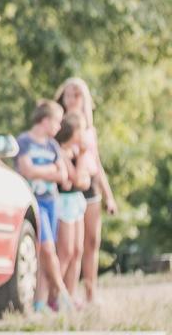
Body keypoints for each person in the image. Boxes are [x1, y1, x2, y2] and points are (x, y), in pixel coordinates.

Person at [55, 77, 118, 305]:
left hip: (91, 189)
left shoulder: (90, 130)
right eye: (68, 95)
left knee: (92, 242)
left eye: (77, 95)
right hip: (71, 189)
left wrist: (109, 197)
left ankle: (91, 294)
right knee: (71, 248)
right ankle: (66, 296)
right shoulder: (60, 125)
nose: (72, 99)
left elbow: (97, 163)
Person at [16, 100, 73, 313]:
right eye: (57, 122)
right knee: (48, 249)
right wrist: (51, 170)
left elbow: (63, 176)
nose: (59, 128)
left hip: (51, 201)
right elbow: (26, 170)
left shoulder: (52, 146)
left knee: (46, 253)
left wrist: (42, 170)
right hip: (34, 201)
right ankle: (63, 294)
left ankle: (40, 303)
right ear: (46, 120)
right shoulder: (25, 141)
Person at [54, 111, 91, 308]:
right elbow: (77, 177)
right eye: (82, 129)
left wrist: (82, 159)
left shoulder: (76, 153)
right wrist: (84, 157)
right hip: (64, 203)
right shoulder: (60, 151)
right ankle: (55, 294)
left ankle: (70, 294)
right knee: (65, 251)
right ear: (74, 131)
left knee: (77, 250)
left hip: (77, 201)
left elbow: (84, 181)